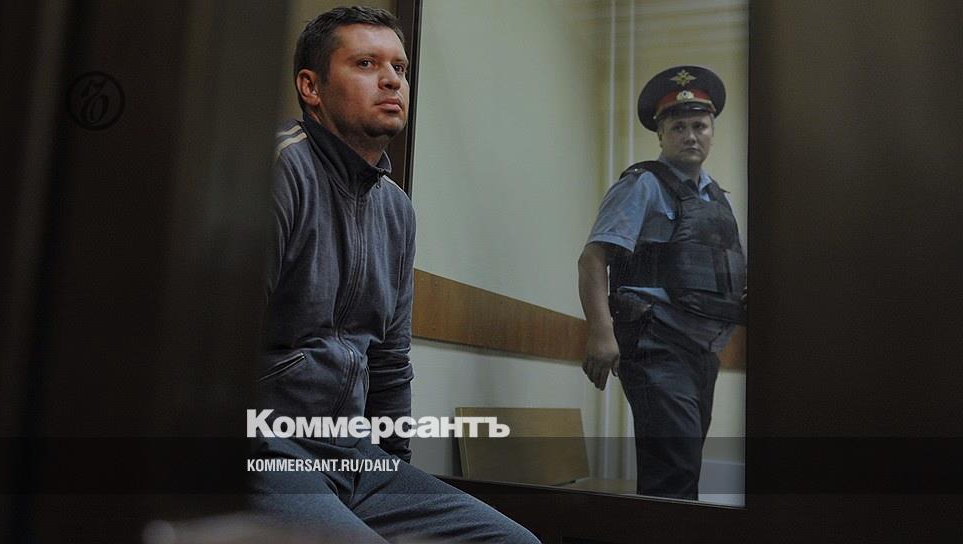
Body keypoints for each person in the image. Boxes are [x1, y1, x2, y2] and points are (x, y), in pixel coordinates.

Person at [252, 7, 539, 543]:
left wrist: (395, 469)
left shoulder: (396, 208)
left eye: (399, 68)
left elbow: (389, 360)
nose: (391, 80)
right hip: (266, 447)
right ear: (311, 87)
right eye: (366, 63)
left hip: (356, 455)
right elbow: (212, 344)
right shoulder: (278, 168)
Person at [578, 65, 746, 500]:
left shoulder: (717, 199)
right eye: (678, 127)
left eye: (699, 126)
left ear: (712, 131)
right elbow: (593, 259)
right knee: (673, 474)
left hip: (703, 352)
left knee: (683, 471)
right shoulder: (644, 185)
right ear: (661, 135)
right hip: (657, 345)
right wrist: (601, 332)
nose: (690, 136)